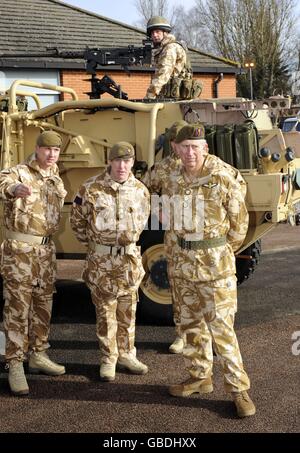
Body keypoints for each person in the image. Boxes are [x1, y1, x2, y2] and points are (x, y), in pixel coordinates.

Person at [164, 123, 256, 418]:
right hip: (182, 267)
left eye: (195, 147)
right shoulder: (172, 176)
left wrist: (216, 250)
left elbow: (239, 225)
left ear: (205, 148)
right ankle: (199, 377)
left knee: (222, 330)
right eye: (184, 147)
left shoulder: (223, 176)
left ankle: (239, 389)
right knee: (189, 326)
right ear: (176, 149)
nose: (190, 153)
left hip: (215, 267)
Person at [70, 142, 150, 382]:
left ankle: (127, 354)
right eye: (118, 160)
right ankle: (108, 358)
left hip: (128, 261)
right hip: (102, 261)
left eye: (127, 161)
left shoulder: (140, 190)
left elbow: (143, 222)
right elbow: (77, 224)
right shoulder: (91, 188)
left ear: (133, 162)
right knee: (105, 312)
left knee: (128, 310)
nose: (122, 166)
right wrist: (99, 247)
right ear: (110, 161)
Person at [0, 130, 67, 396]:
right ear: (37, 149)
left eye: (56, 151)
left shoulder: (54, 176)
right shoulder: (18, 172)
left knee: (43, 304)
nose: (51, 154)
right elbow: (2, 183)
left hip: (44, 252)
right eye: (47, 149)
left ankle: (38, 354)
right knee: (17, 307)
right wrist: (14, 189)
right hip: (20, 252)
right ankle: (15, 363)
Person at [142, 120, 187, 354]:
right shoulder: (162, 168)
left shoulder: (208, 166)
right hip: (174, 239)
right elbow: (144, 191)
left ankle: (207, 336)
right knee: (177, 287)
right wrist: (158, 211)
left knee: (206, 290)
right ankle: (182, 335)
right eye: (180, 142)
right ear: (172, 143)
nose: (185, 147)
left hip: (204, 239)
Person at [145, 16, 189, 100]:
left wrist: (148, 97)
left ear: (165, 32)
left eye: (157, 32)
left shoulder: (170, 48)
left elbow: (162, 75)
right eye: (152, 33)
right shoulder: (164, 48)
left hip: (174, 99)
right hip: (171, 96)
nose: (154, 35)